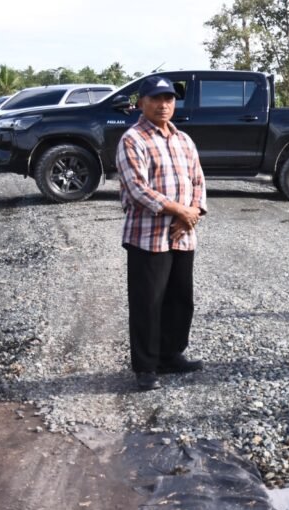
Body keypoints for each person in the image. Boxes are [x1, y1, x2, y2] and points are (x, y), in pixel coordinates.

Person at [116, 76, 206, 391]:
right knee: (147, 303)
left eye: (169, 99)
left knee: (180, 300)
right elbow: (137, 189)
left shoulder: (184, 140)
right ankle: (145, 367)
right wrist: (178, 211)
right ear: (141, 102)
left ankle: (171, 356)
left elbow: (198, 180)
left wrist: (193, 212)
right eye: (156, 98)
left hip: (183, 233)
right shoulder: (133, 139)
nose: (163, 104)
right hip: (147, 235)